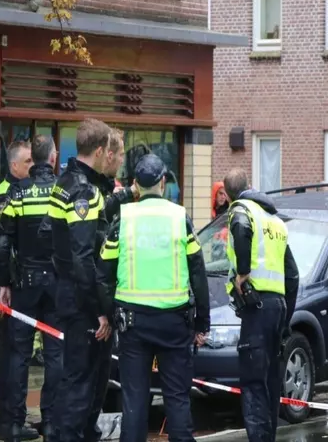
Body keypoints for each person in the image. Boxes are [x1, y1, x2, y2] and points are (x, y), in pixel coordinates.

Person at [97, 154, 210, 442]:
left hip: (133, 326)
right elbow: (198, 273)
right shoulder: (179, 218)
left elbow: (104, 273)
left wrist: (110, 315)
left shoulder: (123, 220)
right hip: (175, 323)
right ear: (163, 182)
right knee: (177, 398)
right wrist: (202, 324)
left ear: (135, 184)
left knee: (134, 402)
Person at [47, 118, 116, 442]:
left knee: (85, 379)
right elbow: (83, 257)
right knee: (82, 382)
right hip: (81, 301)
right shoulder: (83, 191)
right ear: (100, 150)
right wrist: (100, 310)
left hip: (69, 293)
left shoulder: (65, 182)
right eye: (108, 153)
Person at [223, 168, 299, 442]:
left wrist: (242, 273)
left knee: (253, 383)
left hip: (257, 308)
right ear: (250, 185)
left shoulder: (241, 209)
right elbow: (293, 275)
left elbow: (241, 228)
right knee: (269, 382)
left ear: (227, 194)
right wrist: (286, 316)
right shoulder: (275, 220)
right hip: (277, 308)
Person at [0, 135, 63, 442]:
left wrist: (3, 283)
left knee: (18, 354)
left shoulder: (17, 193)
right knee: (56, 354)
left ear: (32, 160)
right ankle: (51, 422)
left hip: (24, 285)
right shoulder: (63, 193)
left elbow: (1, 242)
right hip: (57, 286)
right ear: (51, 158)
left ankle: (12, 423)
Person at [0, 141, 35, 440]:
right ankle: (8, 419)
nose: (32, 166)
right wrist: (2, 286)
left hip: (13, 285)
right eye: (28, 161)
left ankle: (1, 415)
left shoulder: (18, 191)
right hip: (11, 288)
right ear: (14, 165)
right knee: (14, 355)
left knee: (12, 355)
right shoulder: (6, 195)